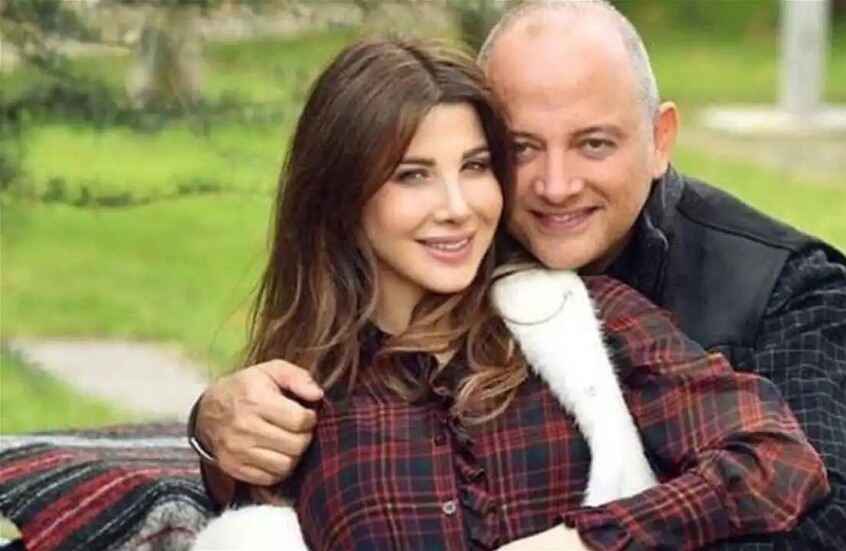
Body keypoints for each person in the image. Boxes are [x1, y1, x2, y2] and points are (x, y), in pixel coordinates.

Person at [191, 0, 846, 547]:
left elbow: (807, 495)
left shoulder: (761, 290)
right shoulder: (314, 392)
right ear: (343, 196)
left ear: (660, 139)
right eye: (522, 148)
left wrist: (585, 541)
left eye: (594, 142)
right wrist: (210, 428)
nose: (555, 186)